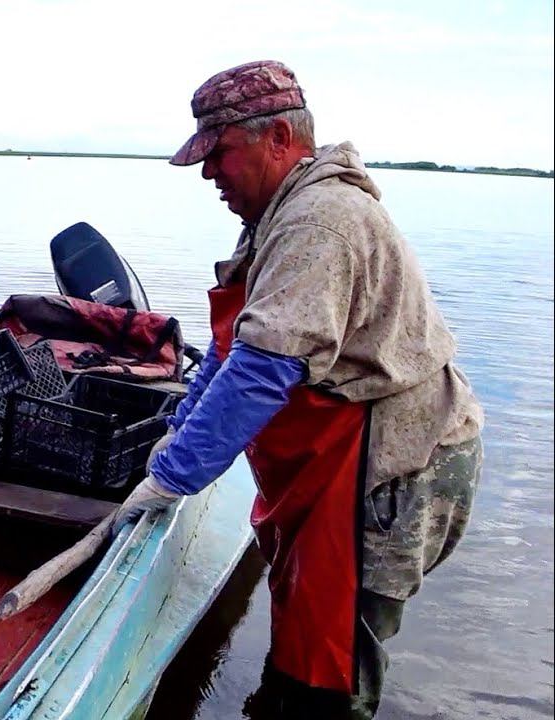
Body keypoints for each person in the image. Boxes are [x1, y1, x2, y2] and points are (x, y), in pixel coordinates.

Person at [111, 60, 484, 719]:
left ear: (278, 137)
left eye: (219, 153)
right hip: (336, 461)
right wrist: (183, 423)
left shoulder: (320, 223)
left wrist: (171, 475)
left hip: (392, 466)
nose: (209, 174)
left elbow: (261, 375)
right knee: (303, 637)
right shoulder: (275, 216)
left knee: (335, 670)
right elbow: (234, 350)